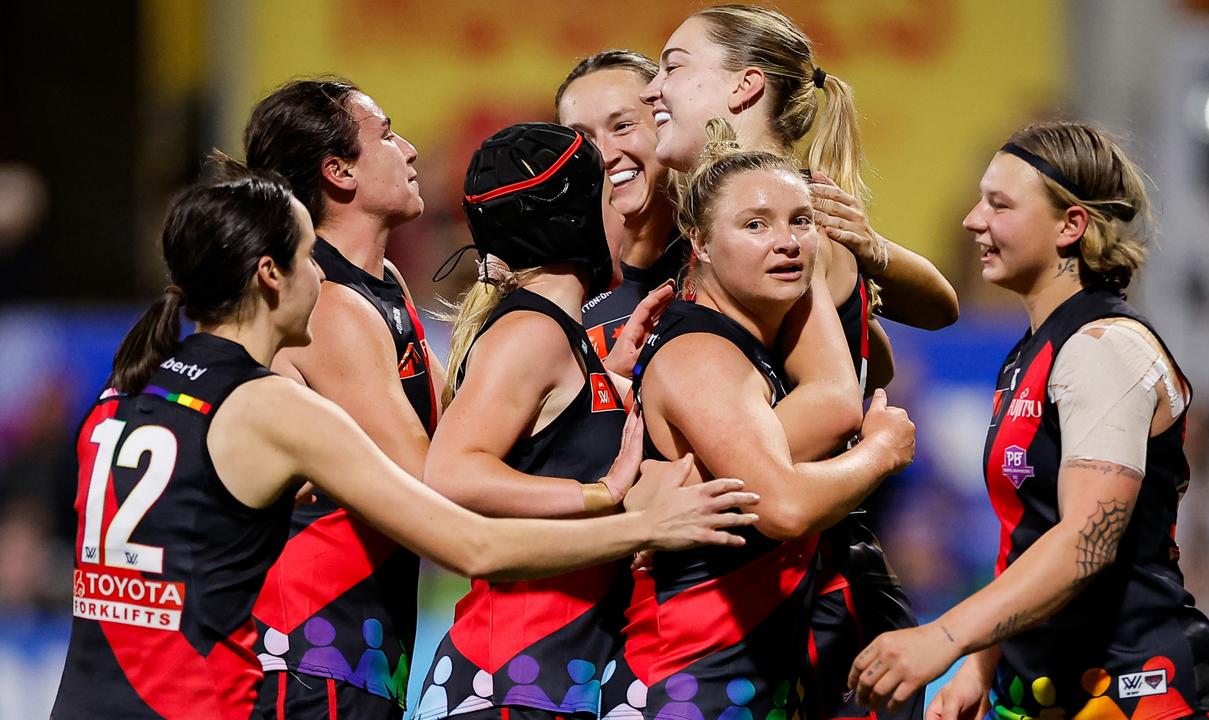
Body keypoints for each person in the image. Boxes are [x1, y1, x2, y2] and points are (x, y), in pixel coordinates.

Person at [49, 165, 761, 720]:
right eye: (308, 259)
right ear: (269, 275)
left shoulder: (123, 393)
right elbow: (471, 545)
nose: (323, 277)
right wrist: (640, 522)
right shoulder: (276, 410)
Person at [848, 121, 1209, 720]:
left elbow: (1083, 544)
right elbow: (1029, 535)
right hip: (1046, 692)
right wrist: (981, 663)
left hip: (1141, 694)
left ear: (1071, 226)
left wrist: (947, 637)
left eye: (1000, 204)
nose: (972, 220)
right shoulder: (1031, 352)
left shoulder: (1104, 346)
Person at [642, 7, 957, 718]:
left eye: (673, 65)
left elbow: (834, 402)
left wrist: (689, 464)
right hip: (760, 591)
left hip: (814, 597)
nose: (654, 88)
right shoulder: (726, 217)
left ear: (744, 87)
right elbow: (930, 310)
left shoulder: (791, 220)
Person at [608, 134, 916, 720]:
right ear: (697, 241)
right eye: (754, 225)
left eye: (801, 222)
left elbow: (927, 315)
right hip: (690, 683)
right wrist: (882, 450)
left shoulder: (755, 344)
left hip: (743, 680)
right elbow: (784, 508)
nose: (787, 243)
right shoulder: (702, 353)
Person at [415, 121, 675, 720]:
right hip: (513, 682)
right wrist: (598, 494)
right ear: (577, 218)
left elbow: (547, 444)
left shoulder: (557, 335)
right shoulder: (531, 333)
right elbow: (451, 473)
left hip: (545, 678)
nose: (627, 219)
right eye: (610, 197)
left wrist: (612, 378)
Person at [241, 77, 442, 717]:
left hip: (350, 657)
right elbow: (433, 483)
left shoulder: (380, 286)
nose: (409, 150)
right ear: (339, 172)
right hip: (308, 658)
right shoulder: (328, 305)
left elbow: (469, 424)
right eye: (387, 134)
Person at [556, 50, 687, 359]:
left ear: (668, 126)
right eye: (582, 139)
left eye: (623, 126)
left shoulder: (726, 256)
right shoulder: (553, 287)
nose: (603, 155)